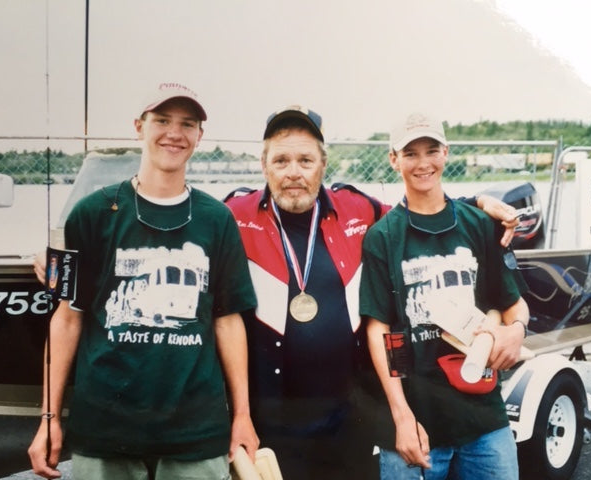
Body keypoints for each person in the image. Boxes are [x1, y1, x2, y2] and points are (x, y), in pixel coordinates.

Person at [223, 106, 520, 479]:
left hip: (347, 418)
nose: (294, 172)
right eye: (281, 160)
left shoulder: (357, 208)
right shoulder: (231, 215)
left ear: (323, 163)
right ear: (264, 165)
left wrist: (475, 202)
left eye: (305, 160)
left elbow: (422, 209)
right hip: (272, 417)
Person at [28, 82, 259, 480]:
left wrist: (241, 416)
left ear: (200, 136)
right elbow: (67, 319)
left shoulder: (216, 220)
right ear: (139, 126)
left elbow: (227, 319)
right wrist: (48, 418)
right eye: (162, 120)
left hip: (196, 433)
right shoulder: (90, 214)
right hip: (105, 430)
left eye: (188, 123)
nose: (174, 132)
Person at [359, 113, 530, 480]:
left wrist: (516, 331)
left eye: (432, 150)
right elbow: (381, 330)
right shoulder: (383, 237)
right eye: (411, 153)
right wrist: (401, 416)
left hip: (484, 417)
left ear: (446, 153)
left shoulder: (478, 224)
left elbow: (513, 304)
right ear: (393, 159)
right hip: (418, 423)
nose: (423, 163)